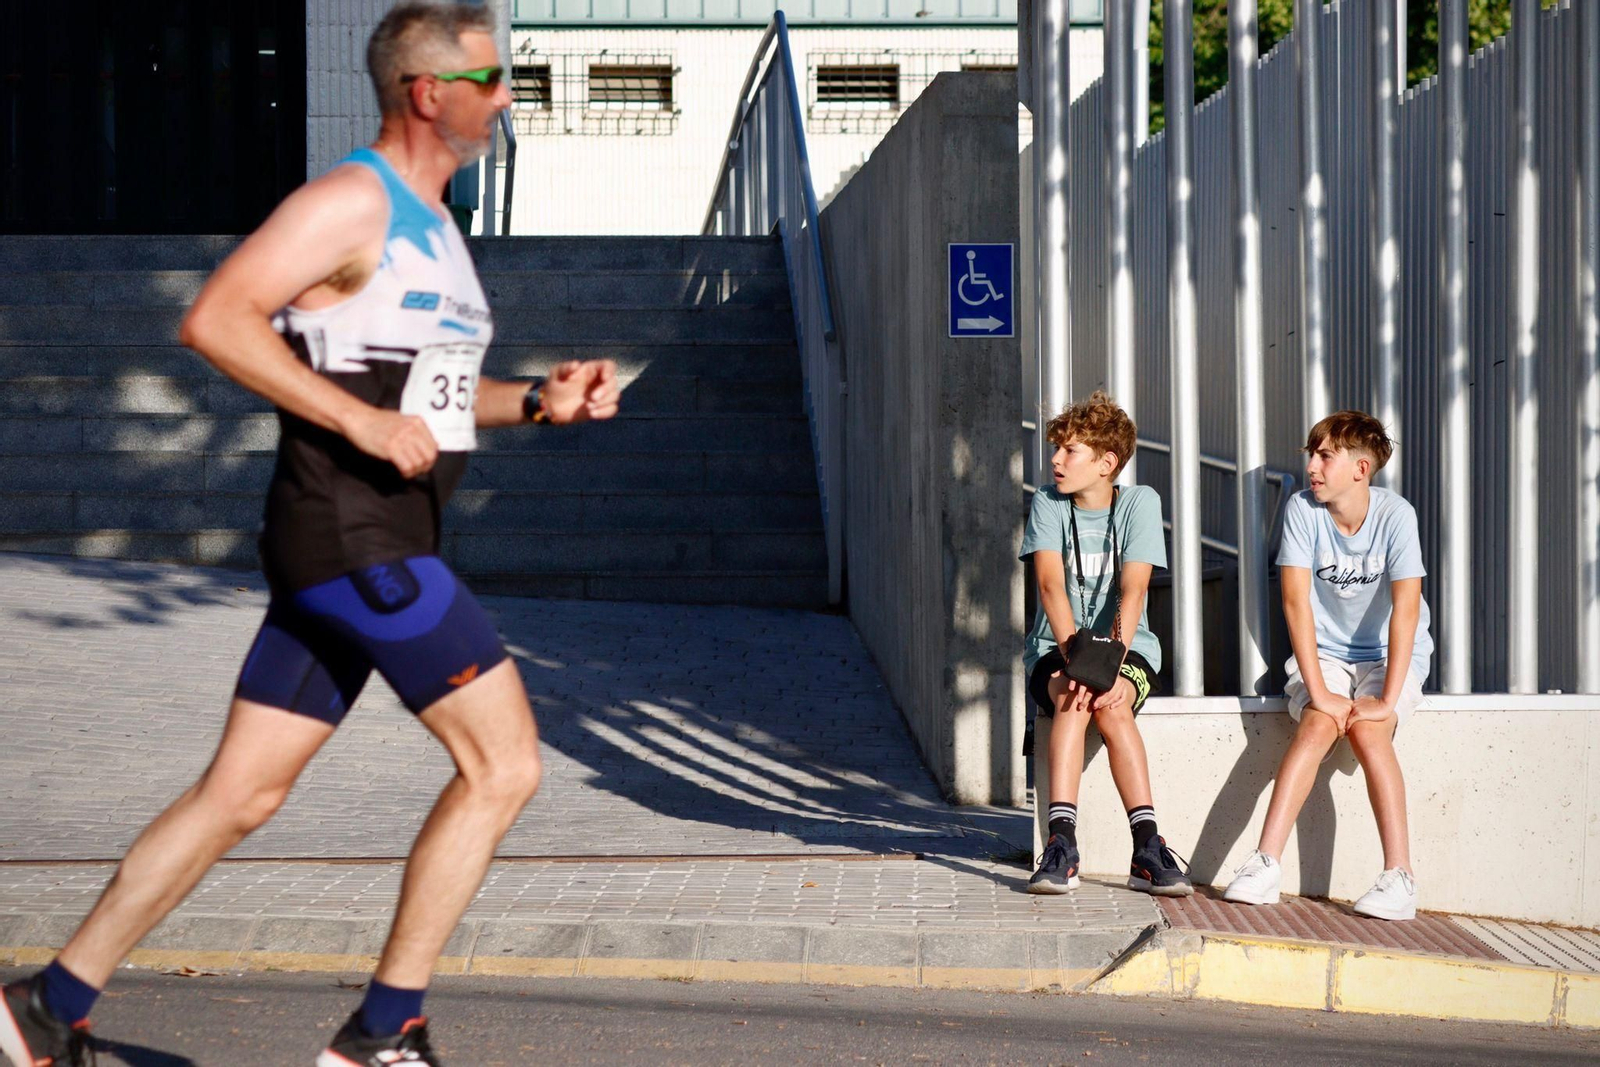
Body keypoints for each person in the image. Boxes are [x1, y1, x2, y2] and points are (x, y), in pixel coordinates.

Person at [0, 6, 620, 1065]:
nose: (505, 95)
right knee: (505, 763)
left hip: (355, 543)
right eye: (488, 76)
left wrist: (541, 401)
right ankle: (383, 1032)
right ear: (428, 91)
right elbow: (217, 316)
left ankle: (43, 1008)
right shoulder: (347, 202)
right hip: (361, 539)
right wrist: (355, 419)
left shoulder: (435, 227)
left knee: (242, 791)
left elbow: (440, 396)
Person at [1222, 411, 1431, 921]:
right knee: (1317, 726)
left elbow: (1406, 610)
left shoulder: (1396, 515)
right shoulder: (1302, 510)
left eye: (1324, 456)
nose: (1311, 466)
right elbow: (1295, 604)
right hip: (1327, 655)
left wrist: (1384, 700)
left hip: (1388, 655)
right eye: (1311, 455)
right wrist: (1319, 692)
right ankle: (1265, 863)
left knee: (1369, 733)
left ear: (1361, 469)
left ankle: (1399, 877)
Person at [1021, 391, 1192, 898]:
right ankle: (1061, 845)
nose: (1055, 459)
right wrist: (1079, 659)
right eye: (1056, 448)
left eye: (1069, 450)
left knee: (1114, 707)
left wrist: (1109, 664)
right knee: (1074, 697)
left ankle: (1147, 847)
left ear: (1106, 463)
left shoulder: (1140, 503)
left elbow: (1135, 587)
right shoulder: (1047, 503)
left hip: (1128, 647)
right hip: (1057, 644)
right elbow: (1050, 585)